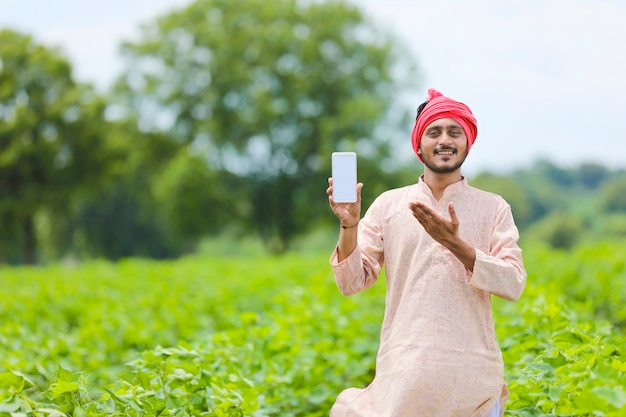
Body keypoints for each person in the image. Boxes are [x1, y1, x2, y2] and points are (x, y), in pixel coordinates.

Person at [326, 88, 527, 417]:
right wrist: (349, 226)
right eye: (434, 132)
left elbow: (513, 283)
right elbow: (351, 283)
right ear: (418, 144)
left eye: (454, 131)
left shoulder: (493, 208)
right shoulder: (390, 205)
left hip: (473, 379)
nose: (444, 140)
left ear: (467, 142)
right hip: (404, 374)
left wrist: (456, 245)